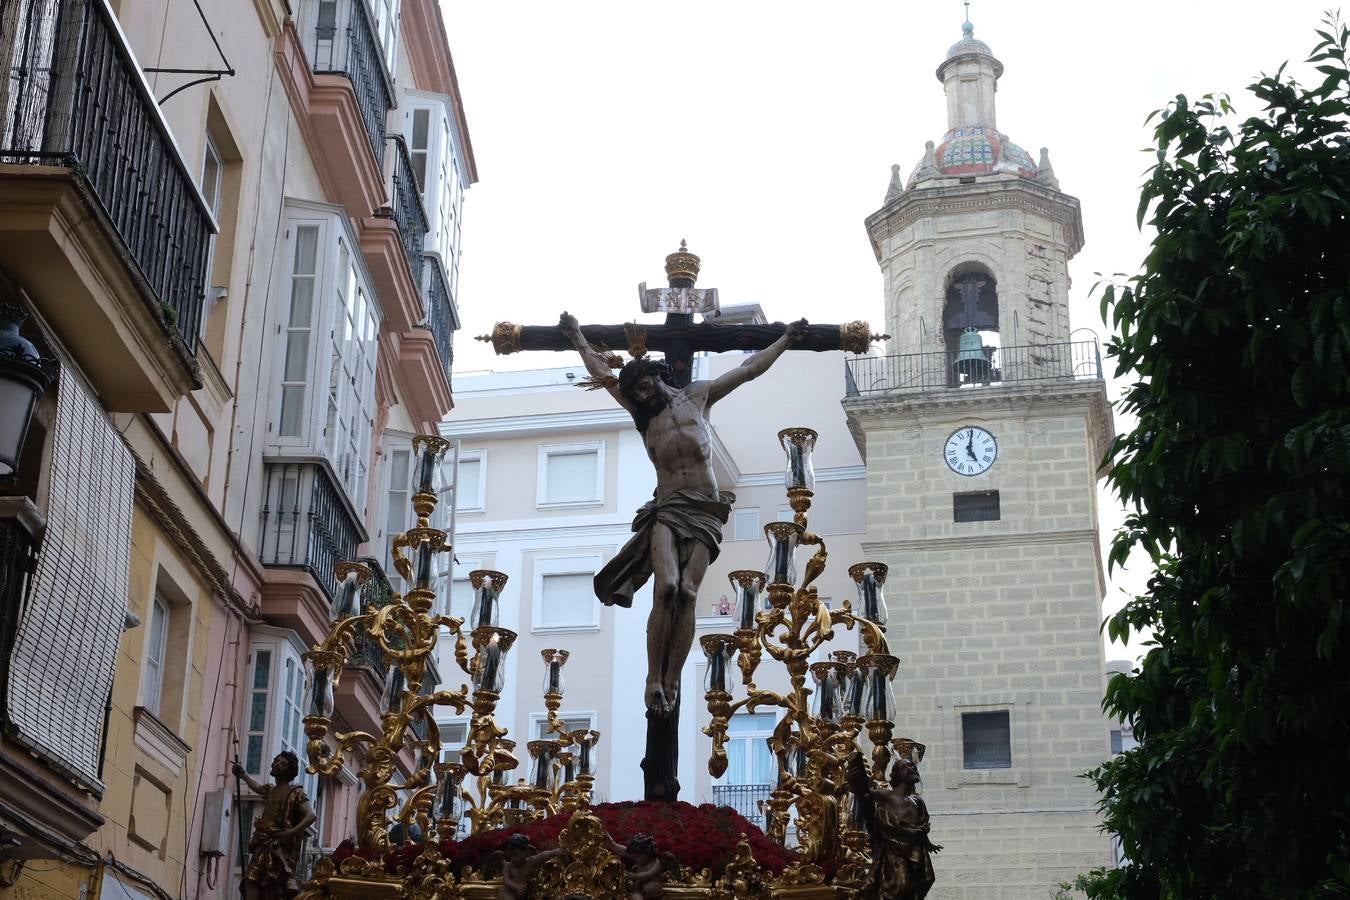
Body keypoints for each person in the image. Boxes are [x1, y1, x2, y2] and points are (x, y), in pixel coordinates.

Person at [560, 311, 806, 719]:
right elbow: (602, 372)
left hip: (707, 509)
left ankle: (671, 679)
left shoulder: (698, 396)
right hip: (668, 508)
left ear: (657, 376)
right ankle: (651, 678)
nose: (642, 395)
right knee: (667, 586)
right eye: (636, 393)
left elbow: (747, 370)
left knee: (689, 593)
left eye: (645, 386)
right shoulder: (644, 419)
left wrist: (785, 340)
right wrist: (577, 339)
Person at [847, 752, 942, 900]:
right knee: (901, 883)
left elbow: (921, 827)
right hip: (895, 848)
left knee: (925, 880)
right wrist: (856, 779)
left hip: (916, 849)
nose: (911, 769)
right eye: (906, 767)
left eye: (912, 766)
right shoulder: (887, 795)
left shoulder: (917, 802)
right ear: (897, 774)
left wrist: (928, 843)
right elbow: (864, 793)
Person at [232, 752, 316, 900]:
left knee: (270, 886)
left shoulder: (295, 793)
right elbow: (258, 788)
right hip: (263, 843)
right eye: (276, 761)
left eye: (282, 763)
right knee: (250, 880)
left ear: (289, 770)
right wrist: (243, 775)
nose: (277, 764)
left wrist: (290, 833)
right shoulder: (271, 790)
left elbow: (311, 815)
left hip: (278, 847)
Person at [499, 833, 566, 899]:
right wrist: (517, 887)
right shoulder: (508, 866)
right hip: (508, 892)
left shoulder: (530, 862)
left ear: (525, 851)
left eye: (516, 855)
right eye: (511, 856)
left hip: (524, 893)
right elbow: (506, 880)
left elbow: (543, 855)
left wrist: (556, 851)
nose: (513, 859)